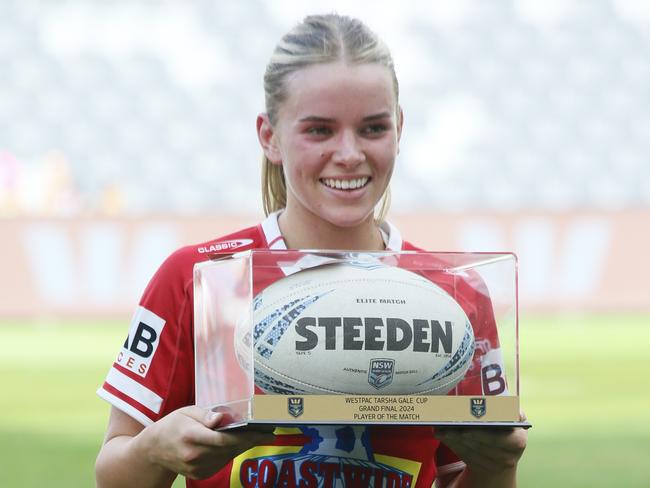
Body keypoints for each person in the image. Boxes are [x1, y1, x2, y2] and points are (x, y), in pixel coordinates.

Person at [95, 13, 527, 488]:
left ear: (399, 129)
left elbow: (466, 476)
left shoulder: (454, 295)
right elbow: (115, 473)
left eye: (373, 128)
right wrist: (154, 448)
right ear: (269, 136)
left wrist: (496, 464)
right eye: (319, 130)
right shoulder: (198, 277)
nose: (349, 153)